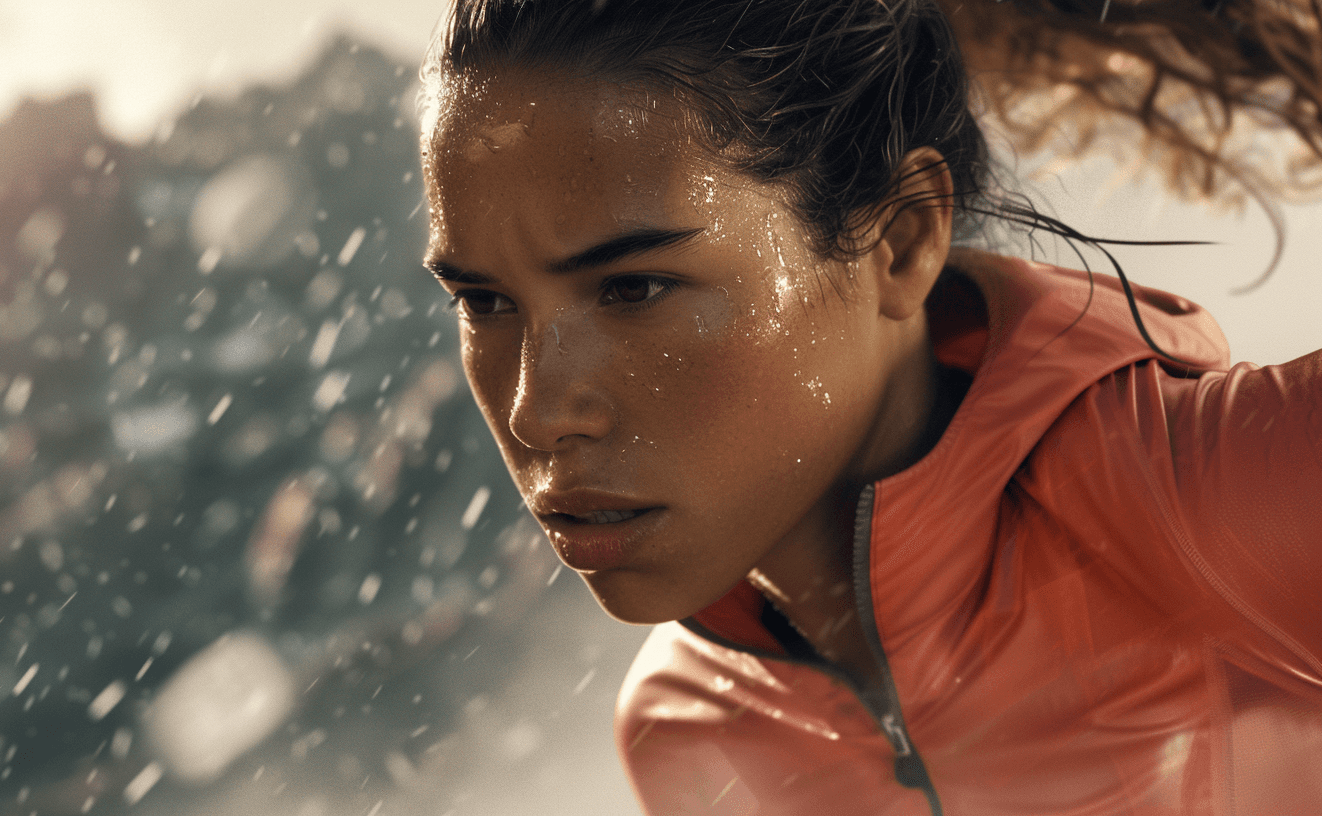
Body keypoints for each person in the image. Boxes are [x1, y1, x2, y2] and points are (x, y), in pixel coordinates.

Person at [416, 0, 1322, 812]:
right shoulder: (680, 733)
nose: (537, 412)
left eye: (634, 288)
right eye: (483, 303)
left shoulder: (1215, 494)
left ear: (899, 240)